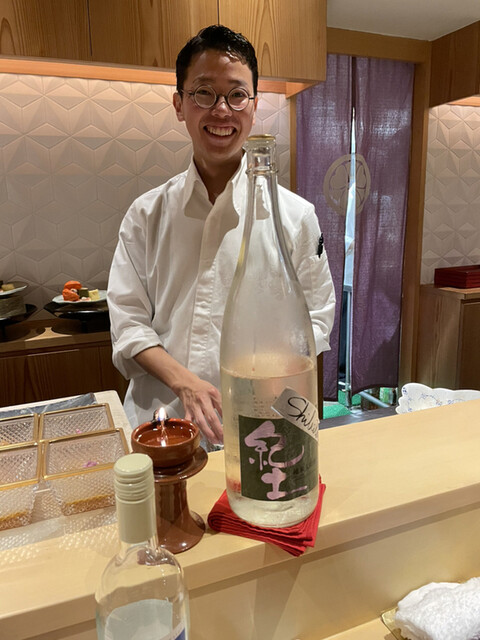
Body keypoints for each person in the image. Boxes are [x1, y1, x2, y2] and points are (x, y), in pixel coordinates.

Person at [107, 25, 335, 450]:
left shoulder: (295, 216)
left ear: (254, 105)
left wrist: (259, 384)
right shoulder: (146, 215)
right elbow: (128, 323)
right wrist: (186, 383)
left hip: (263, 426)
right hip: (162, 425)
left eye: (236, 94)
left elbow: (316, 319)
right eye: (204, 93)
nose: (222, 110)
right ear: (179, 104)